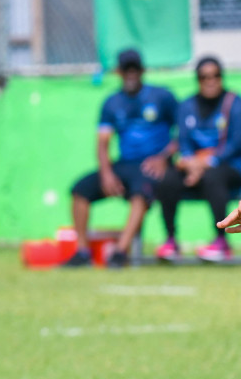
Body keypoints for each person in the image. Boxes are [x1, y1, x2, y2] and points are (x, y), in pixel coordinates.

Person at [64, 49, 177, 268]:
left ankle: (119, 252)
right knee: (79, 190)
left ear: (142, 70)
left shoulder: (162, 97)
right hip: (124, 164)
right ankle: (83, 252)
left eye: (135, 69)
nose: (131, 74)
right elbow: (103, 143)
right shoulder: (112, 103)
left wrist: (164, 158)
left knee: (140, 195)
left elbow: (183, 134)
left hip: (150, 166)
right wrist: (106, 174)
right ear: (119, 72)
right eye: (126, 70)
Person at [154, 56, 241, 263]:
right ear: (198, 80)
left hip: (228, 168)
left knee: (213, 177)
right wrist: (191, 163)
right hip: (194, 169)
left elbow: (235, 144)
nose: (210, 81)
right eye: (204, 77)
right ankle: (171, 240)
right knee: (167, 180)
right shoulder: (186, 106)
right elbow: (183, 141)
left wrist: (206, 163)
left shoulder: (234, 104)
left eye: (215, 76)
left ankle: (221, 241)